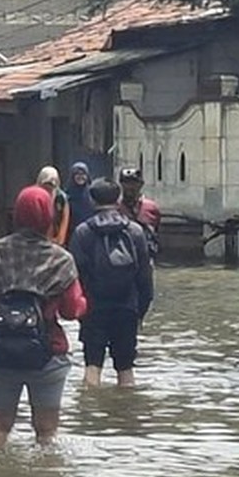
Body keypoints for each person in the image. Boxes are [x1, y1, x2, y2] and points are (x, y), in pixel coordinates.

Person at [0, 186, 87, 449]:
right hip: (47, 354)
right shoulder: (61, 261)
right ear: (49, 217)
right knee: (47, 434)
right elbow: (70, 310)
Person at [70, 178, 154, 388]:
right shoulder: (135, 231)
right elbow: (145, 278)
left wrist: (81, 311)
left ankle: (89, 415)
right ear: (118, 199)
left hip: (93, 308)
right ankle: (126, 416)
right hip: (127, 307)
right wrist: (139, 312)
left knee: (92, 367)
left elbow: (75, 277)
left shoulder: (82, 232)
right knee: (126, 370)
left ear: (91, 200)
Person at [118, 167, 161, 260]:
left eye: (134, 183)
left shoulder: (151, 207)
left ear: (141, 184)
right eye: (126, 183)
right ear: (121, 185)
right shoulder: (115, 208)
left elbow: (156, 230)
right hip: (121, 259)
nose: (130, 187)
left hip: (145, 258)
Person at [35, 166, 72, 246]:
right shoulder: (34, 196)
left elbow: (64, 219)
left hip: (56, 241)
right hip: (37, 240)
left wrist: (59, 240)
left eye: (52, 184)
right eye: (46, 184)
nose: (49, 187)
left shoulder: (61, 198)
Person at [66, 161, 95, 232]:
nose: (80, 177)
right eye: (77, 174)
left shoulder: (93, 192)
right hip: (72, 231)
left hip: (91, 230)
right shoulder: (67, 194)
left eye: (83, 174)